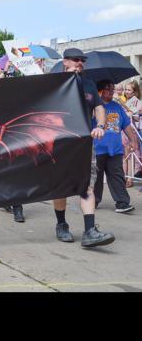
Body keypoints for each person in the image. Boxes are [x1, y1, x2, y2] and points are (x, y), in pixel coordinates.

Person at [52, 48, 115, 248]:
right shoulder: (54, 83)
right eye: (75, 59)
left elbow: (99, 107)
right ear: (65, 62)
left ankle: (90, 231)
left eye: (82, 60)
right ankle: (61, 225)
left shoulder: (88, 84)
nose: (80, 62)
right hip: (61, 142)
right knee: (61, 186)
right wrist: (66, 81)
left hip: (84, 143)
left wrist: (100, 125)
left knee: (87, 185)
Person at [93, 80, 137, 213]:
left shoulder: (117, 107)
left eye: (113, 89)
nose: (113, 92)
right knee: (96, 178)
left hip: (115, 149)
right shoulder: (93, 107)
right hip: (97, 149)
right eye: (109, 89)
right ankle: (92, 201)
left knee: (117, 176)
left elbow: (126, 125)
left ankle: (122, 203)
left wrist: (133, 140)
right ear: (101, 91)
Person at [120, 80, 141, 186]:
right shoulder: (124, 101)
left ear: (134, 91)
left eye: (129, 90)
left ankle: (130, 179)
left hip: (131, 131)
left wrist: (124, 106)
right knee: (124, 155)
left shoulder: (137, 102)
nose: (126, 92)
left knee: (130, 155)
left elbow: (131, 115)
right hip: (122, 131)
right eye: (126, 89)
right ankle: (123, 177)